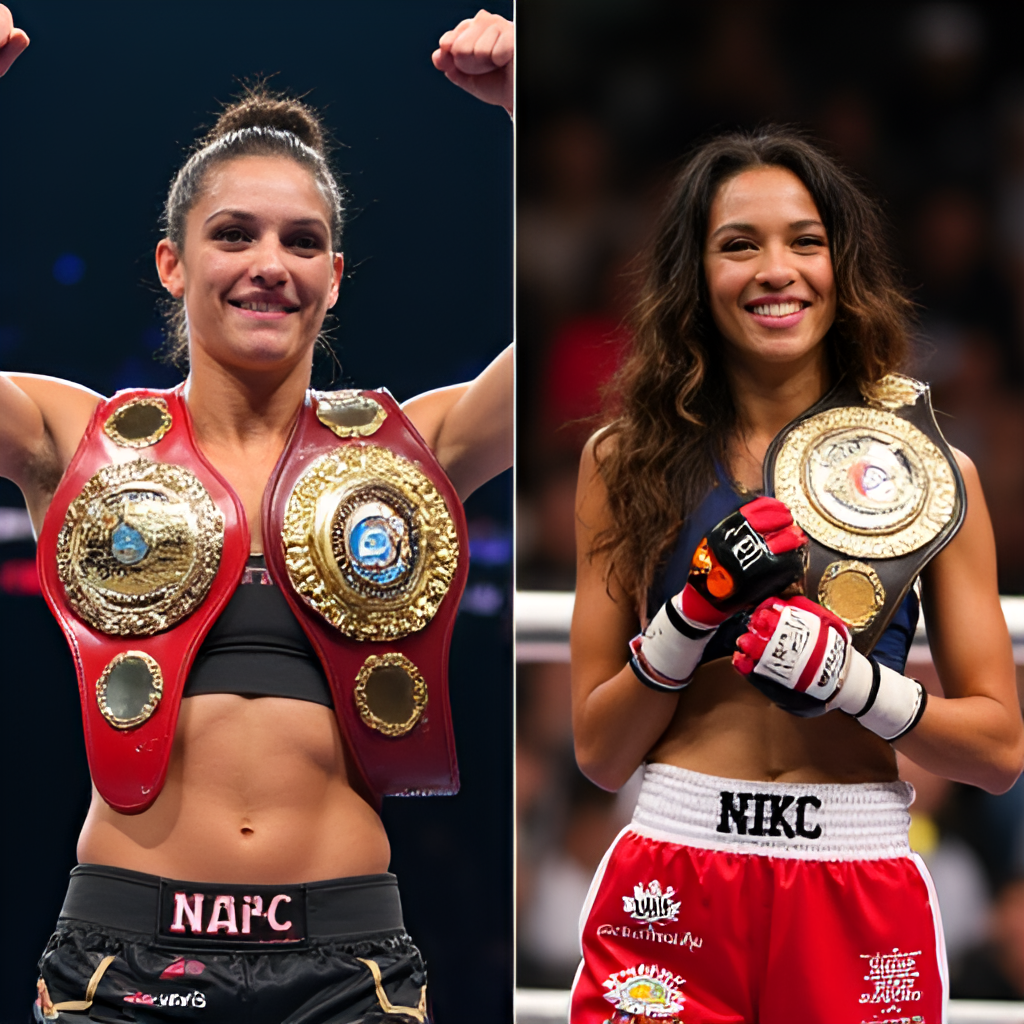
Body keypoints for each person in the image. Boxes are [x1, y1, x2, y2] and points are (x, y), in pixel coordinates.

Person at [0, 7, 513, 1023]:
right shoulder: (72, 436)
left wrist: (527, 112)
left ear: (333, 274)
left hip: (346, 959)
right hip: (125, 952)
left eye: (302, 240)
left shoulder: (411, 449)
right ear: (172, 264)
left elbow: (645, 332)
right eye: (232, 233)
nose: (269, 261)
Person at [568, 129, 1024, 1023]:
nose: (777, 269)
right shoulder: (620, 461)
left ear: (841, 265)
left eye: (805, 241)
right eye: (740, 244)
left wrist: (856, 685)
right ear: (695, 275)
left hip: (855, 883)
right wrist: (685, 623)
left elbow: (1001, 753)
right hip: (676, 873)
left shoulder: (938, 475)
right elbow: (599, 752)